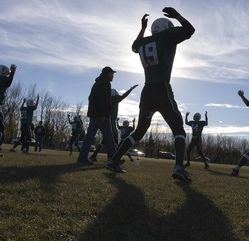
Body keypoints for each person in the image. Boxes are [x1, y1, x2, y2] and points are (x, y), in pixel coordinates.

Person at [105, 7, 195, 181]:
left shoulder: (143, 43)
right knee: (178, 129)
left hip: (147, 92)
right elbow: (190, 30)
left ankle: (114, 160)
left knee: (139, 131)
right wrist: (177, 15)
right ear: (166, 28)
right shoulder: (167, 36)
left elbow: (133, 46)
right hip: (161, 89)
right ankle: (178, 167)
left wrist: (142, 29)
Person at [77, 66, 117, 164]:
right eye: (112, 74)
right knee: (109, 139)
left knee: (90, 137)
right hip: (101, 115)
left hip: (96, 114)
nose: (113, 76)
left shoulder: (98, 83)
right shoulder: (105, 84)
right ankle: (113, 160)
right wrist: (102, 115)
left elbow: (91, 98)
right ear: (108, 74)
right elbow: (102, 100)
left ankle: (82, 158)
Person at [89, 85, 138, 162]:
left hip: (105, 119)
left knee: (105, 141)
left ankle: (94, 155)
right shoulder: (114, 98)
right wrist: (130, 89)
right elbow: (123, 96)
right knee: (114, 139)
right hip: (111, 120)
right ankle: (113, 158)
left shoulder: (106, 99)